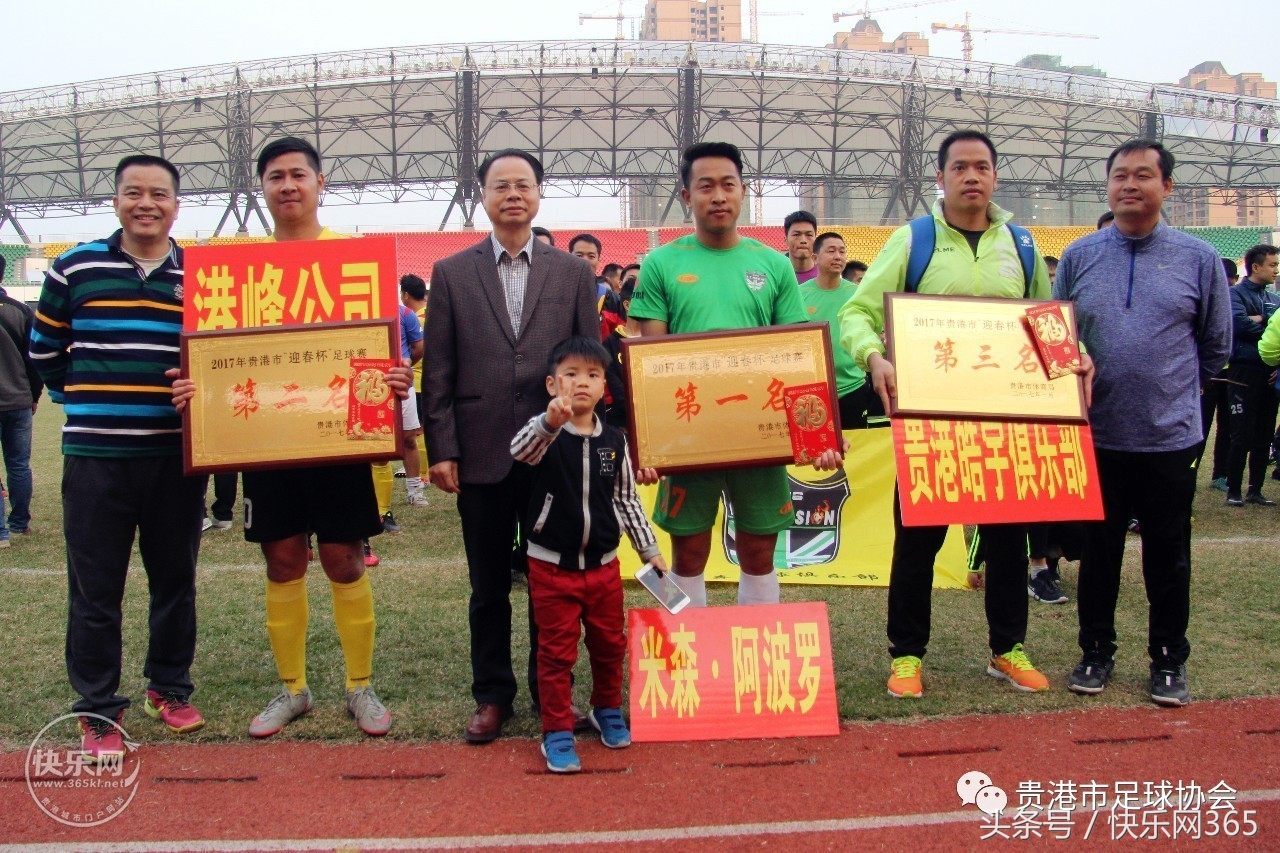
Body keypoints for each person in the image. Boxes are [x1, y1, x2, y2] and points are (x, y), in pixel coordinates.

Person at [174, 137, 413, 737]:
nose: (287, 185)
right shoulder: (237, 271)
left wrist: (394, 377)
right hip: (269, 439)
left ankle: (360, 687)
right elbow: (216, 360)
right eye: (275, 176)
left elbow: (375, 350)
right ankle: (293, 690)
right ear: (263, 188)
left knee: (343, 559)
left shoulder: (352, 261)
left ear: (320, 182)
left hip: (337, 436)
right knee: (282, 561)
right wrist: (194, 391)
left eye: (297, 175)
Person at [838, 129, 1055, 700]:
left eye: (982, 166)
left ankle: (1007, 649)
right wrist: (874, 355)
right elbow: (858, 312)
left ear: (996, 176)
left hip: (1004, 421)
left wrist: (1072, 361)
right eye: (959, 167)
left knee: (1009, 541)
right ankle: (906, 656)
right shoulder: (914, 240)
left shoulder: (1023, 245)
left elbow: (1045, 322)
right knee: (918, 542)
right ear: (940, 178)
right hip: (929, 422)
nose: (972, 176)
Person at [31, 154, 206, 759]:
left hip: (175, 458)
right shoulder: (74, 266)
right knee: (96, 589)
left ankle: (170, 688)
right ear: (116, 200)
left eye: (159, 193)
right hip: (95, 458)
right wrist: (82, 398)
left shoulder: (201, 274)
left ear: (175, 205)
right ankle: (99, 709)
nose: (146, 203)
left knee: (175, 581)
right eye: (134, 192)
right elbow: (44, 351)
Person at [424, 148, 598, 744]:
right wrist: (441, 448)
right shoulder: (450, 273)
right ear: (484, 196)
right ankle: (492, 695)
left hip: (556, 454)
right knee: (488, 584)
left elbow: (588, 363)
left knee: (553, 584)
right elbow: (439, 370)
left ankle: (553, 692)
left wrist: (587, 435)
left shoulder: (574, 274)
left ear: (539, 193)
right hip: (481, 451)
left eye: (524, 185)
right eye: (501, 186)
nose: (513, 195)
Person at [1056, 139, 1231, 707]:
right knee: (1098, 555)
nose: (1130, 185)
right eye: (1119, 177)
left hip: (1168, 440)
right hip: (1098, 437)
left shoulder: (1198, 258)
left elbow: (1215, 346)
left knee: (1168, 555)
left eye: (1143, 176)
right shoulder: (1081, 256)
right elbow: (1058, 342)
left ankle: (1168, 660)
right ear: (1107, 186)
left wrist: (1170, 395)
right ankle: (1095, 652)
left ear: (1167, 187)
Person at [629, 142, 808, 609]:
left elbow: (796, 355)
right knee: (687, 548)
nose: (718, 195)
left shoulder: (773, 265)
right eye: (705, 186)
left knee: (759, 546)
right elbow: (651, 360)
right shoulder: (661, 263)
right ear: (687, 197)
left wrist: (813, 432)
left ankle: (759, 648)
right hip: (689, 432)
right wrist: (651, 444)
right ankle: (687, 651)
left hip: (759, 430)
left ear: (743, 191)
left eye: (728, 184)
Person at [510, 336, 666, 773]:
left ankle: (606, 709)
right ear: (551, 383)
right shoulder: (544, 433)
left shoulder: (614, 440)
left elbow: (627, 500)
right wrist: (548, 422)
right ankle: (556, 729)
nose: (582, 383)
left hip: (603, 568)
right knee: (556, 651)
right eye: (571, 375)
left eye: (593, 375)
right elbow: (519, 451)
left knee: (608, 643)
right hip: (550, 567)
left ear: (604, 387)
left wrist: (648, 549)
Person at [800, 232, 881, 428]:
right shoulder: (800, 294)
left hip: (854, 387)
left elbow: (873, 332)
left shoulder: (857, 294)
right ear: (814, 258)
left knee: (856, 452)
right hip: (814, 390)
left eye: (842, 251)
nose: (838, 256)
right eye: (831, 251)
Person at [1223, 244, 1280, 507]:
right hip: (1243, 371)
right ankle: (1233, 489)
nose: (1276, 270)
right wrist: (1267, 325)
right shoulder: (1234, 294)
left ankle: (1255, 489)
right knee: (1241, 434)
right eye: (1272, 265)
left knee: (1264, 433)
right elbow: (1237, 324)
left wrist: (1260, 320)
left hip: (1269, 373)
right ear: (1256, 267)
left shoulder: (1275, 299)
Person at [372, 279, 428, 530]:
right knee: (377, 445)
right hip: (371, 385)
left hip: (401, 387)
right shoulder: (365, 312)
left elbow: (418, 348)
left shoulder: (405, 314)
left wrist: (403, 366)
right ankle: (379, 507)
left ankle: (415, 490)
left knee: (408, 438)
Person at [0, 256, 41, 545]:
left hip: (16, 400)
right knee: (18, 464)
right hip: (18, 401)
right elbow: (35, 359)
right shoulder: (21, 310)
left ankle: (1, 533)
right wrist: (34, 395)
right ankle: (19, 522)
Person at [1201, 258, 1239, 491]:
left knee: (1228, 426)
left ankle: (1220, 474)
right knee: (1201, 427)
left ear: (1233, 280)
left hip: (1232, 374)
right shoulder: (1205, 300)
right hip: (1209, 376)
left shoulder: (1236, 299)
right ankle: (1190, 471)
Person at [601, 280, 638, 431]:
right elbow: (616, 389)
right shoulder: (611, 342)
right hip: (622, 422)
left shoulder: (658, 338)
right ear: (627, 305)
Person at [784, 210, 819, 284]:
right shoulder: (775, 275)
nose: (803, 240)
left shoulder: (826, 276)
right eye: (796, 234)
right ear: (786, 240)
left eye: (809, 235)